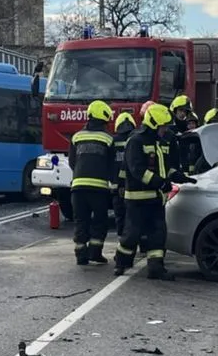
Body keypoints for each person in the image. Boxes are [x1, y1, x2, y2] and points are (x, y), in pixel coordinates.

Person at [114, 103, 193, 280]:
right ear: (153, 124)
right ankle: (121, 263)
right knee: (131, 234)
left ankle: (156, 268)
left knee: (158, 234)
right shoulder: (136, 141)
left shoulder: (160, 142)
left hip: (156, 199)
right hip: (137, 198)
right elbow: (137, 170)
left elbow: (166, 169)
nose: (165, 130)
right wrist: (161, 183)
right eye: (163, 126)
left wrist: (182, 177)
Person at [69, 100, 116, 265]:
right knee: (99, 220)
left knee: (81, 220)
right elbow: (112, 165)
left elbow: (72, 162)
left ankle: (80, 255)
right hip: (98, 189)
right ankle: (95, 253)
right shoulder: (108, 139)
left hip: (77, 188)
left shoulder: (76, 137)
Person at [111, 111, 137, 237]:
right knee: (135, 217)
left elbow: (107, 162)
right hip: (135, 187)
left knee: (120, 216)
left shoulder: (112, 141)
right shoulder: (137, 139)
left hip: (117, 187)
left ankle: (122, 240)